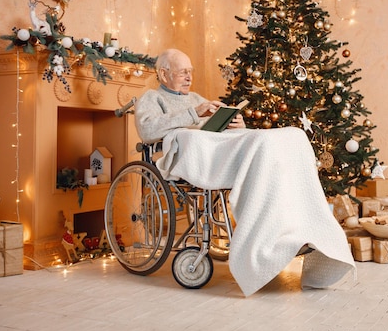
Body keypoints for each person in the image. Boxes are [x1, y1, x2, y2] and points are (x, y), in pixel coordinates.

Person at [135, 48, 355, 297]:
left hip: (218, 147)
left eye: (190, 72)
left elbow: (211, 130)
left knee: (295, 135)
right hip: (194, 154)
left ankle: (300, 231)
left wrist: (234, 124)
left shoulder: (195, 96)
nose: (189, 77)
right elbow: (147, 129)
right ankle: (268, 241)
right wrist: (195, 112)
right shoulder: (151, 99)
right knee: (262, 143)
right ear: (164, 74)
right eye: (183, 72)